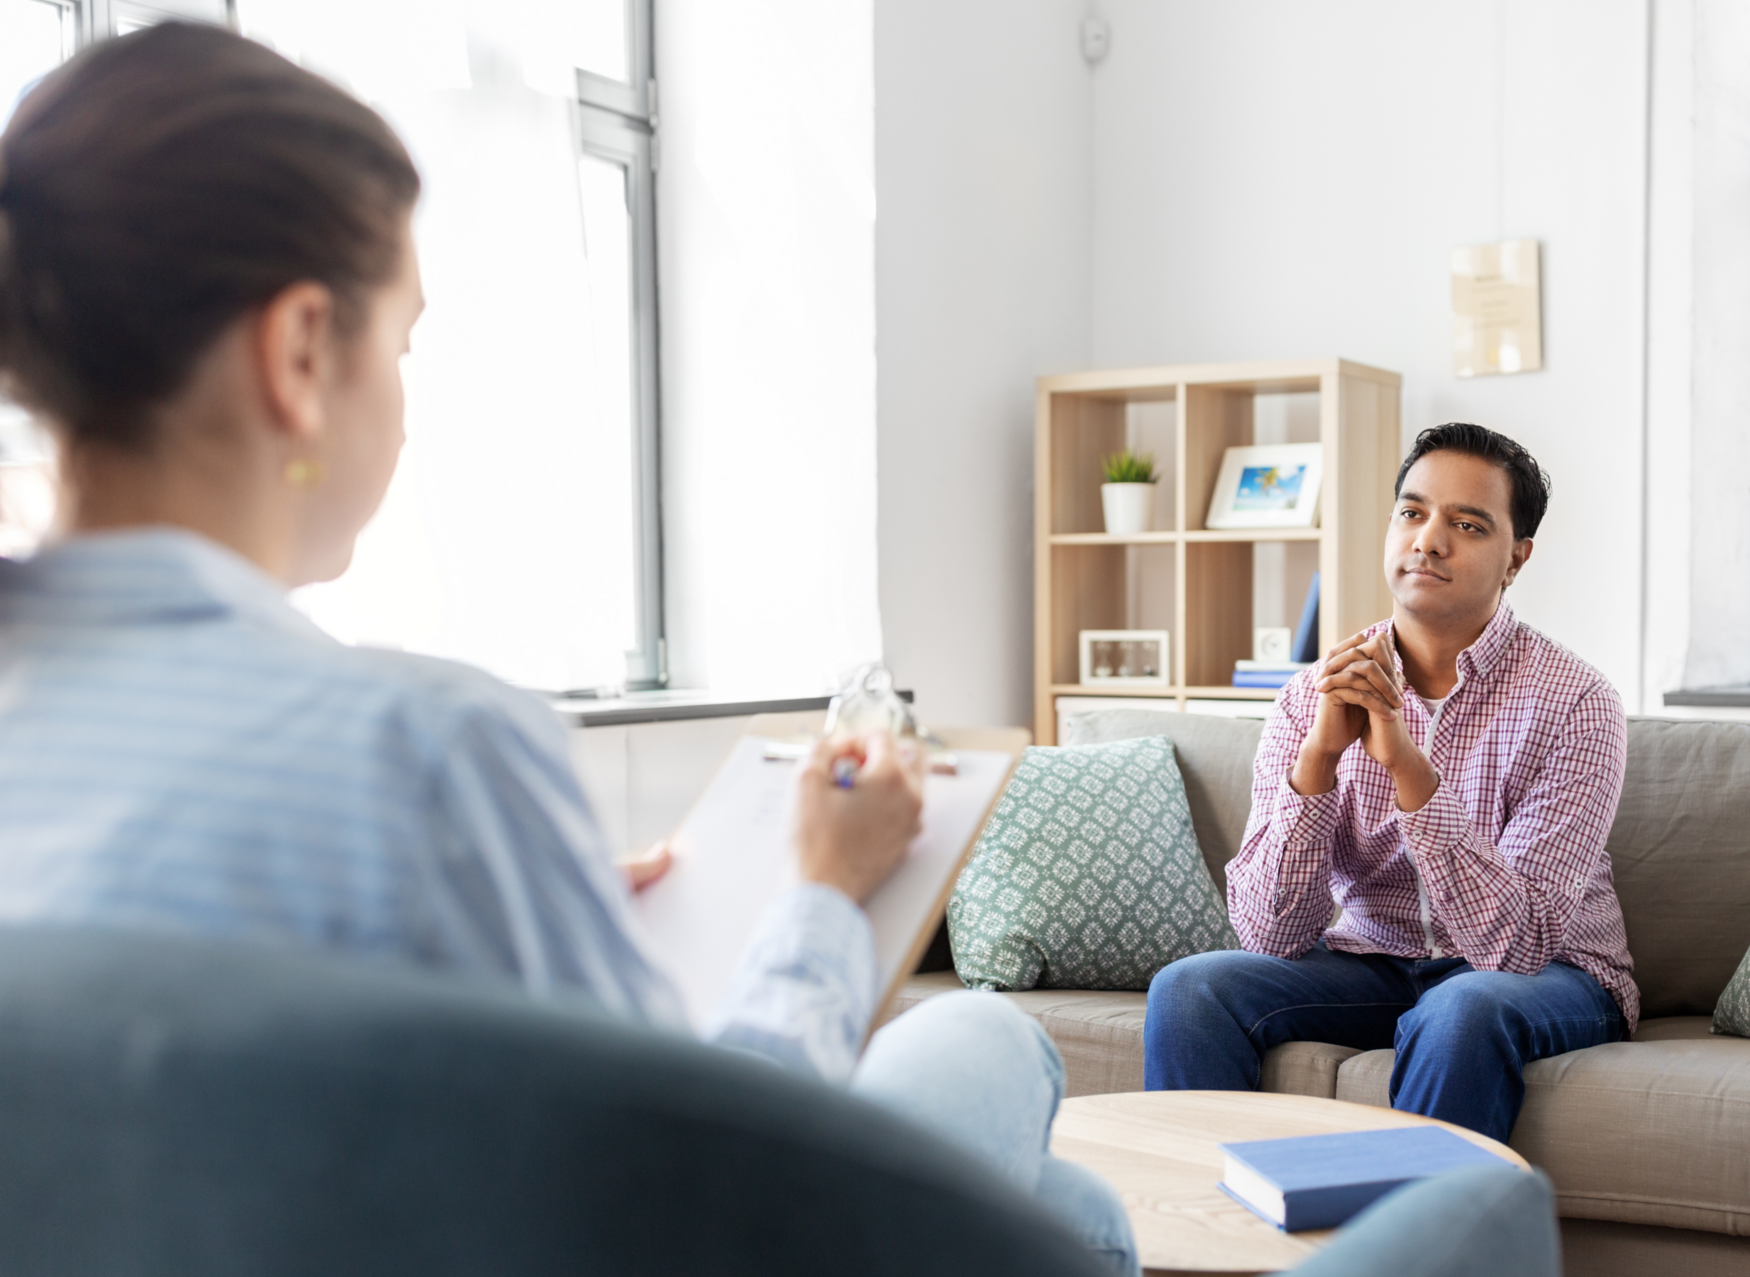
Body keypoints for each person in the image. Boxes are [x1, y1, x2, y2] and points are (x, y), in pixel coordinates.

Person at [0, 25, 1135, 1273]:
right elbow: (695, 1200)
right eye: (404, 343)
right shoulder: (424, 755)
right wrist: (821, 889)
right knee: (993, 1064)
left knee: (1056, 1194)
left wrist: (534, 881)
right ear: (301, 352)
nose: (405, 397)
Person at [1144, 423, 1635, 1145]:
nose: (1429, 540)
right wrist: (1318, 758)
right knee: (1189, 990)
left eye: (1467, 524)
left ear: (1516, 559)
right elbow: (1268, 931)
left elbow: (1520, 944)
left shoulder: (1576, 702)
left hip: (1549, 974)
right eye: (1413, 512)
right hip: (1373, 963)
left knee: (1462, 1009)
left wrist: (1407, 764)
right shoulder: (1311, 693)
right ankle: (1206, 1235)